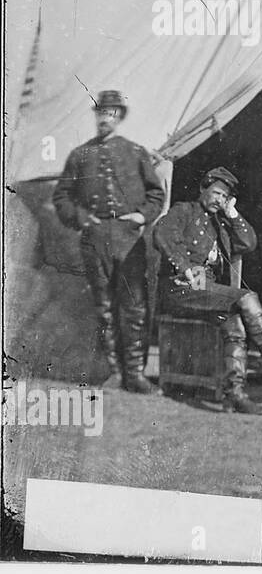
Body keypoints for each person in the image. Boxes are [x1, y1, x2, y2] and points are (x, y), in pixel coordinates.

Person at [153, 167, 262, 415]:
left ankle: (235, 394)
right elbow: (163, 234)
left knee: (236, 326)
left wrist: (232, 213)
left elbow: (248, 243)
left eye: (223, 197)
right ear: (203, 189)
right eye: (216, 193)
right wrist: (186, 268)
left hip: (207, 293)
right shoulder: (184, 210)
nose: (218, 200)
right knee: (247, 297)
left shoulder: (221, 224)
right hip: (181, 288)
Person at [52, 90, 165, 392]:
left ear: (120, 118)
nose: (106, 118)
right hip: (95, 238)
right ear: (96, 115)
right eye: (102, 112)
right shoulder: (79, 155)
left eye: (112, 113)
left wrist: (141, 217)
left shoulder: (136, 152)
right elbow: (61, 197)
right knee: (104, 307)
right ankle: (114, 373)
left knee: (134, 306)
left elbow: (156, 193)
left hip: (129, 240)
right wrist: (80, 217)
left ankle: (136, 375)